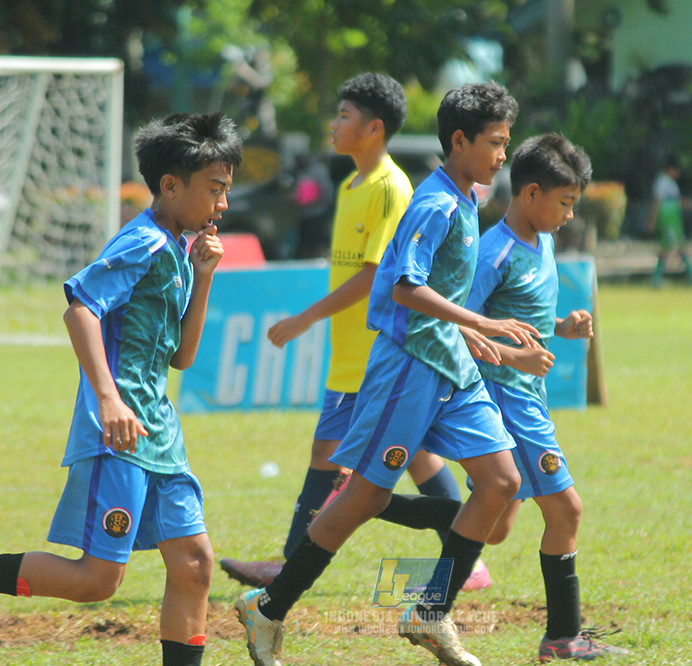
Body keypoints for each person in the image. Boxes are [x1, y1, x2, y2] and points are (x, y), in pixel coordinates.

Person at [0, 112, 243, 666]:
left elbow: (181, 358)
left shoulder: (179, 251)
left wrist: (204, 275)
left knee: (194, 565)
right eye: (215, 189)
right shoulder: (142, 242)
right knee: (96, 580)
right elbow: (80, 310)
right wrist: (109, 400)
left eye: (226, 190)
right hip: (120, 434)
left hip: (159, 432)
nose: (223, 204)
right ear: (170, 185)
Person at [234, 82, 539, 666]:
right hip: (408, 369)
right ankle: (268, 607)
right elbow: (404, 287)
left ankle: (429, 612)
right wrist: (479, 321)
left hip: (450, 364)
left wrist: (467, 332)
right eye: (496, 143)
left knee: (502, 481)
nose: (503, 155)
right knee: (365, 496)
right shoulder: (435, 202)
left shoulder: (466, 199)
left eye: (506, 143)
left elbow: (438, 290)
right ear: (460, 141)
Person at [218, 72, 489, 593]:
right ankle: (469, 559)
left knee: (333, 454)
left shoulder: (392, 188)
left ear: (374, 128)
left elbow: (375, 275)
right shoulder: (351, 185)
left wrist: (306, 318)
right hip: (351, 352)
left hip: (376, 354)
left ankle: (289, 564)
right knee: (413, 455)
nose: (334, 124)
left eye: (344, 115)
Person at [376, 133, 631, 662]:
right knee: (566, 510)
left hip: (526, 395)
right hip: (506, 400)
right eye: (564, 202)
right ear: (531, 193)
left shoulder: (544, 239)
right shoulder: (494, 251)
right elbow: (462, 326)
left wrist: (560, 326)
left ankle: (374, 504)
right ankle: (562, 636)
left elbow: (519, 318)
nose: (569, 215)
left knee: (493, 528)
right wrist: (514, 359)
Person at [646, 154, 692, 287]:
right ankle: (660, 279)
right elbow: (657, 202)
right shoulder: (662, 181)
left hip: (673, 219)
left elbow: (679, 201)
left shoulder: (671, 183)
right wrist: (652, 221)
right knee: (672, 247)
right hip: (667, 219)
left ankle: (689, 275)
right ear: (670, 168)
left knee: (676, 246)